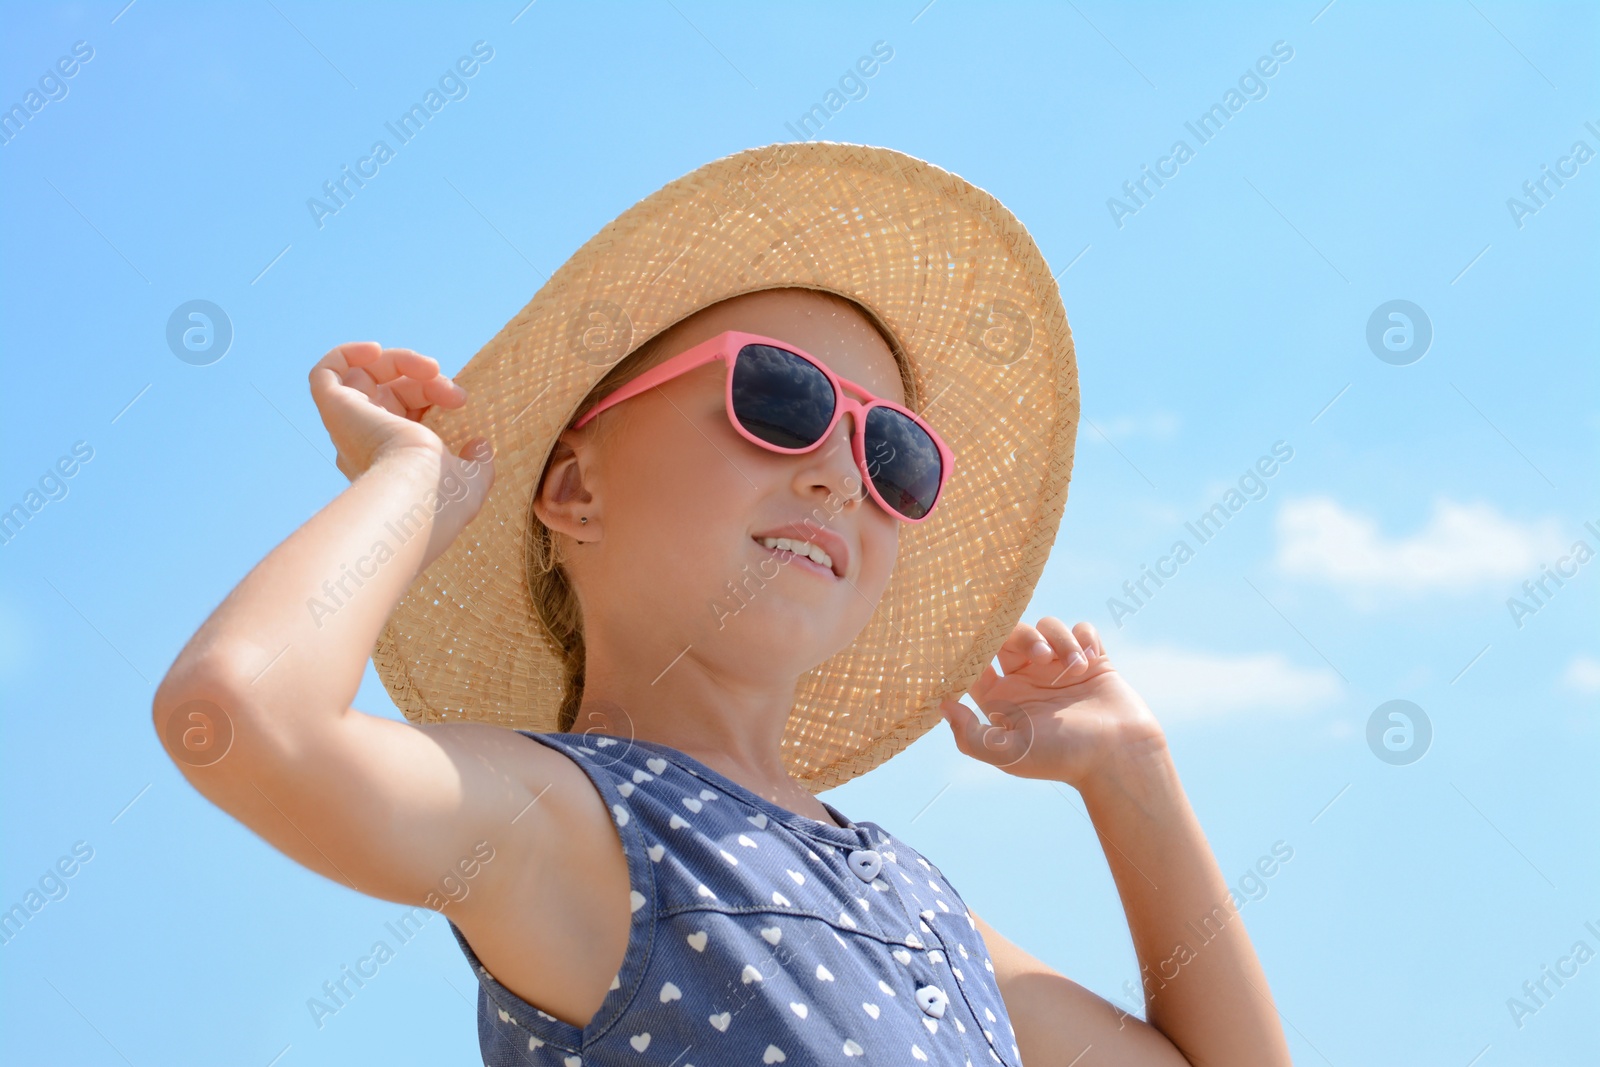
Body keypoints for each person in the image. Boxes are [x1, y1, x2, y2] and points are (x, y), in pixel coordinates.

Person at [153, 143, 1291, 1065]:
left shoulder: (914, 898)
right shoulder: (575, 822)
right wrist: (415, 480)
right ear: (575, 488)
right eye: (781, 397)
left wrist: (1130, 773)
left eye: (890, 452)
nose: (843, 472)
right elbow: (241, 718)